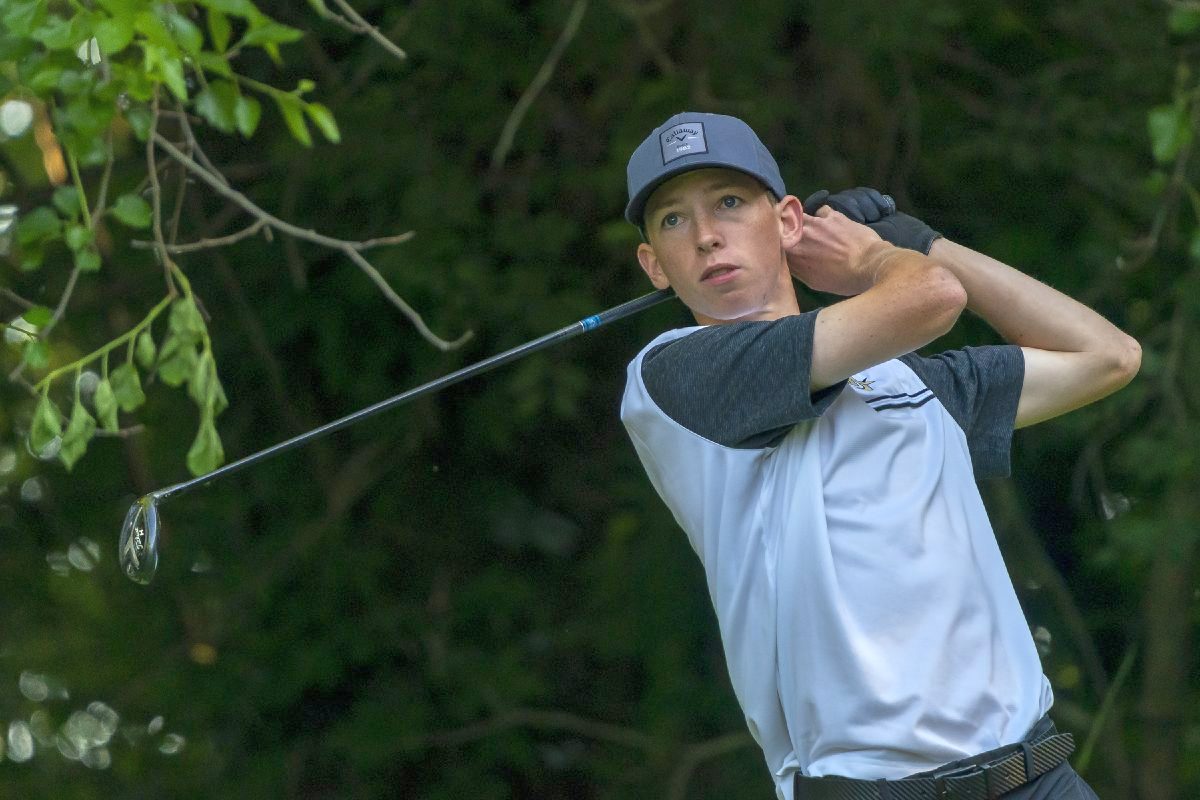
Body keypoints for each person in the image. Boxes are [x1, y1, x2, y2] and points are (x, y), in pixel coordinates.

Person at [619, 111, 1140, 800]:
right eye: (673, 221)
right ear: (654, 264)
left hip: (1037, 777)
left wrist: (918, 240)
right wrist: (873, 260)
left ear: (789, 222)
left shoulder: (915, 380)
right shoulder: (670, 377)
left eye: (731, 202)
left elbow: (1105, 356)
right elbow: (931, 297)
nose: (708, 234)